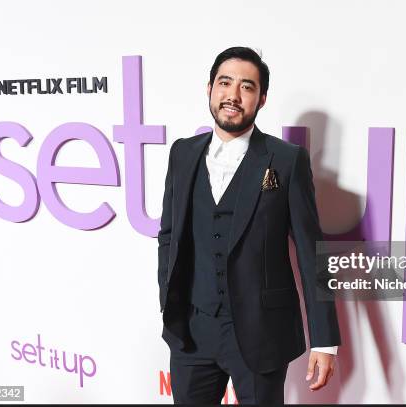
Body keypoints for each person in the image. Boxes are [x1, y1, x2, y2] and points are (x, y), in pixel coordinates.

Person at [158, 46, 341, 404]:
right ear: (210, 88)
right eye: (225, 82)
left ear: (262, 99)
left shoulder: (287, 161)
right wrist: (168, 297)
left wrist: (324, 339)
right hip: (192, 332)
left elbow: (311, 253)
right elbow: (168, 234)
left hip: (261, 333)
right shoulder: (182, 153)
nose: (233, 94)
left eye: (247, 86)